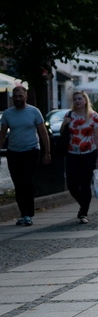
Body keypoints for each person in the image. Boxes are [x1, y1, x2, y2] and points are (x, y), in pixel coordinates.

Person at [0, 86, 51, 226]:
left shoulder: (34, 112)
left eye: (20, 96)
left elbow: (43, 132)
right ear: (12, 98)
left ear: (26, 96)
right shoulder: (8, 114)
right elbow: (2, 134)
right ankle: (23, 213)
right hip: (13, 152)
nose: (18, 99)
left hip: (31, 150)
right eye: (15, 96)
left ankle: (28, 213)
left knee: (27, 181)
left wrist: (47, 152)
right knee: (18, 183)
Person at [62, 91, 98, 224]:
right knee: (72, 185)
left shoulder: (93, 116)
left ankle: (83, 212)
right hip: (72, 154)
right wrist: (65, 123)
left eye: (80, 99)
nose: (77, 101)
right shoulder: (69, 115)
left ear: (85, 101)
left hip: (89, 154)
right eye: (75, 99)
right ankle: (83, 204)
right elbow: (62, 132)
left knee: (85, 184)